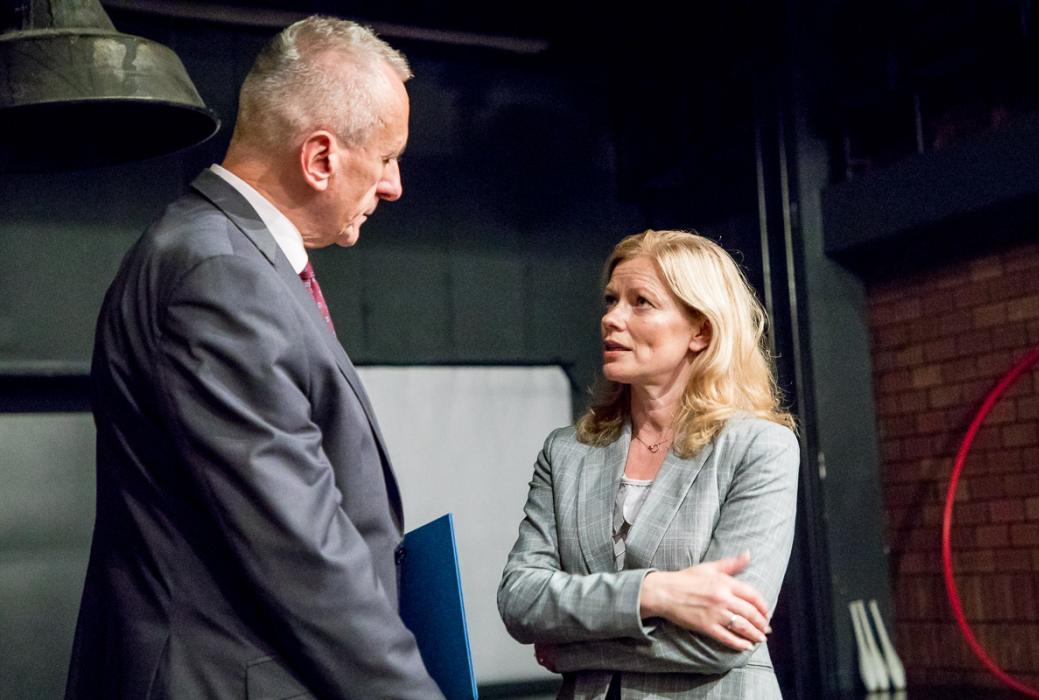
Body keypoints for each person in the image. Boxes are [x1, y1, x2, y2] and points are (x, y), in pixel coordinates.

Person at [65, 16, 443, 699]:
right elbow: (300, 549)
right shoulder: (219, 272)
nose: (394, 185)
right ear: (321, 158)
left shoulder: (223, 254)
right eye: (387, 157)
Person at [498, 230, 800, 699]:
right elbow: (520, 599)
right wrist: (653, 594)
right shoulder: (566, 451)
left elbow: (727, 637)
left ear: (701, 331)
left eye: (641, 302)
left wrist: (570, 651)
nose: (611, 318)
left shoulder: (759, 446)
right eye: (611, 300)